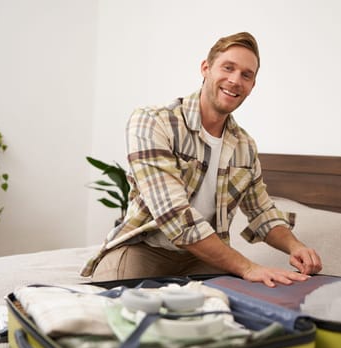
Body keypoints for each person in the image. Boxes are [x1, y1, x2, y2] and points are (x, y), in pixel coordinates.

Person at [81, 32, 322, 287]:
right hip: (146, 249)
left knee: (244, 311)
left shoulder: (245, 146)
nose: (235, 80)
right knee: (111, 309)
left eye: (246, 75)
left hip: (204, 258)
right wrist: (247, 267)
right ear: (206, 68)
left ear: (252, 86)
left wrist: (296, 247)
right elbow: (173, 215)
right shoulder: (153, 121)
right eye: (228, 68)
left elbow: (261, 212)